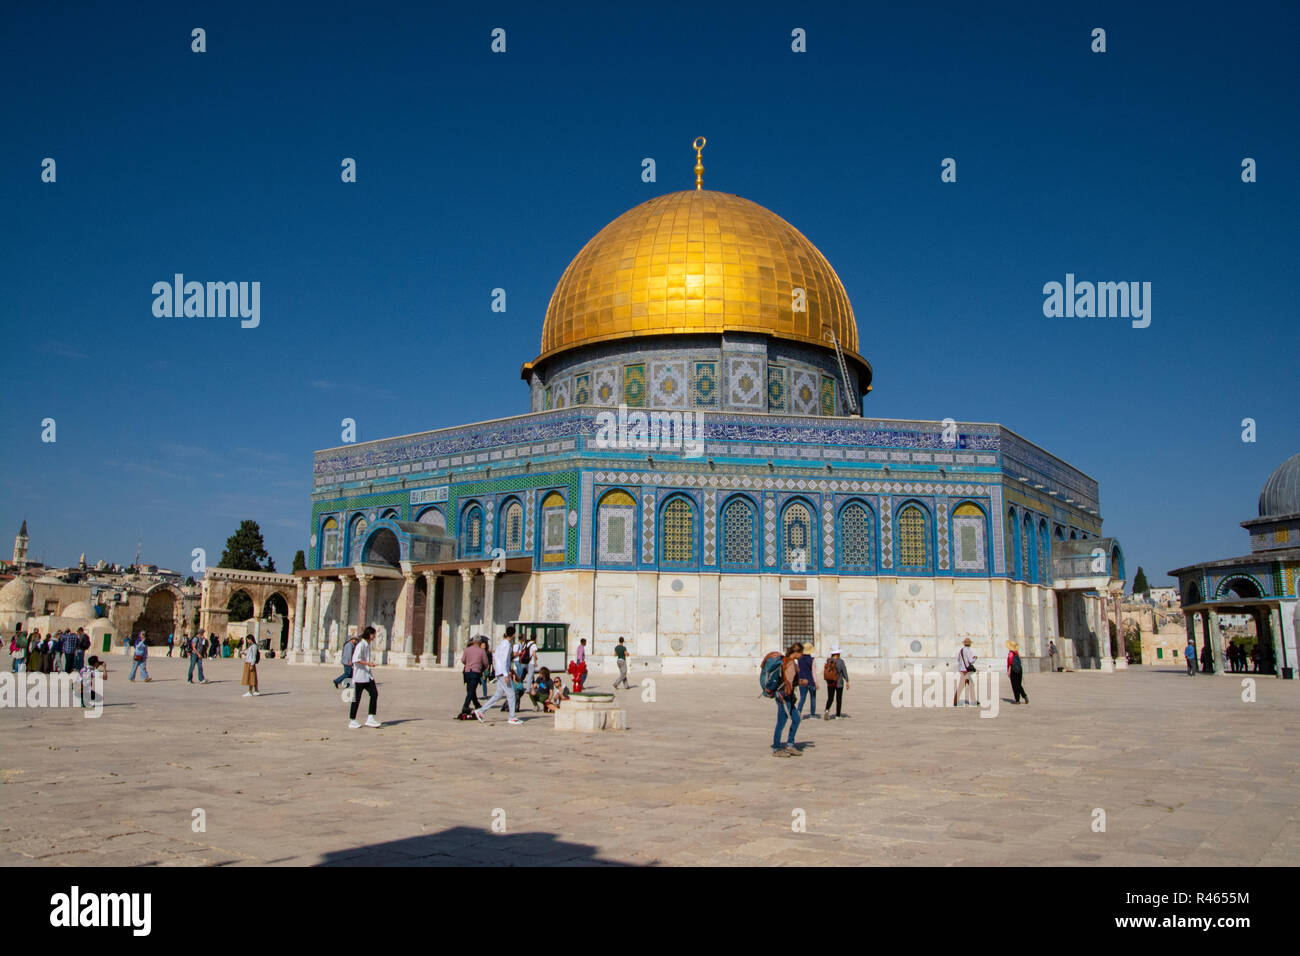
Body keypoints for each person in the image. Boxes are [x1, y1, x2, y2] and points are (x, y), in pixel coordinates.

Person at [473, 633, 521, 724]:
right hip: (503, 674)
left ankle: (481, 711)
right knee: (511, 694)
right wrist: (506, 674)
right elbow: (504, 661)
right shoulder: (506, 646)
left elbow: (497, 658)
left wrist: (498, 671)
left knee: (498, 695)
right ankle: (512, 717)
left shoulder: (500, 645)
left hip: (499, 672)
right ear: (513, 635)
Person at [772, 646, 802, 757]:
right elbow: (788, 682)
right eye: (800, 653)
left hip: (787, 696)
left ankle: (789, 745)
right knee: (781, 722)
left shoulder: (788, 662)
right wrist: (801, 682)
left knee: (796, 719)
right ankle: (776, 748)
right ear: (796, 653)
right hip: (784, 697)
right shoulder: (789, 664)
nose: (801, 656)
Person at [348, 626, 381, 728]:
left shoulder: (366, 645)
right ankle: (352, 720)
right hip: (359, 677)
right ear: (369, 634)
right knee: (357, 698)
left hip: (367, 676)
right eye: (373, 634)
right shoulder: (361, 645)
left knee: (374, 694)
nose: (374, 636)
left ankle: (370, 718)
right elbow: (355, 659)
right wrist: (368, 663)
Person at [460, 635, 489, 715]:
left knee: (470, 688)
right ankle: (465, 706)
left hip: (467, 671)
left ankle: (476, 704)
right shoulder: (481, 651)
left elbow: (463, 660)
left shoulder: (467, 650)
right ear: (479, 642)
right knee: (471, 690)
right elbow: (486, 662)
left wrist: (469, 663)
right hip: (475, 671)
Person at [823, 646, 848, 719]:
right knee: (838, 699)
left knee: (830, 698)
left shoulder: (828, 660)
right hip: (839, 683)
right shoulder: (840, 661)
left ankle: (827, 710)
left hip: (830, 682)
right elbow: (844, 671)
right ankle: (838, 715)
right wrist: (847, 680)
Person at [795, 642, 818, 718]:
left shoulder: (799, 659)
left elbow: (798, 670)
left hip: (802, 681)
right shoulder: (812, 660)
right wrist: (816, 682)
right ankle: (812, 714)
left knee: (802, 698)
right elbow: (814, 672)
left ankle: (798, 712)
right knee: (813, 698)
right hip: (811, 681)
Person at [953, 637, 978, 706]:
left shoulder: (961, 650)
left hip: (961, 670)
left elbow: (958, 660)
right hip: (966, 671)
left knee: (968, 685)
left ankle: (972, 701)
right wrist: (975, 658)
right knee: (969, 685)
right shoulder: (969, 651)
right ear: (970, 644)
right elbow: (971, 661)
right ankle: (972, 701)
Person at [1006, 640, 1028, 704]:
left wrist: (1009, 672)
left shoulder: (1010, 654)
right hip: (1019, 670)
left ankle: (1017, 700)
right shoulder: (1016, 653)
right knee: (1018, 684)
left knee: (1014, 685)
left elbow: (1010, 663)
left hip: (1013, 671)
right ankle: (1024, 695)